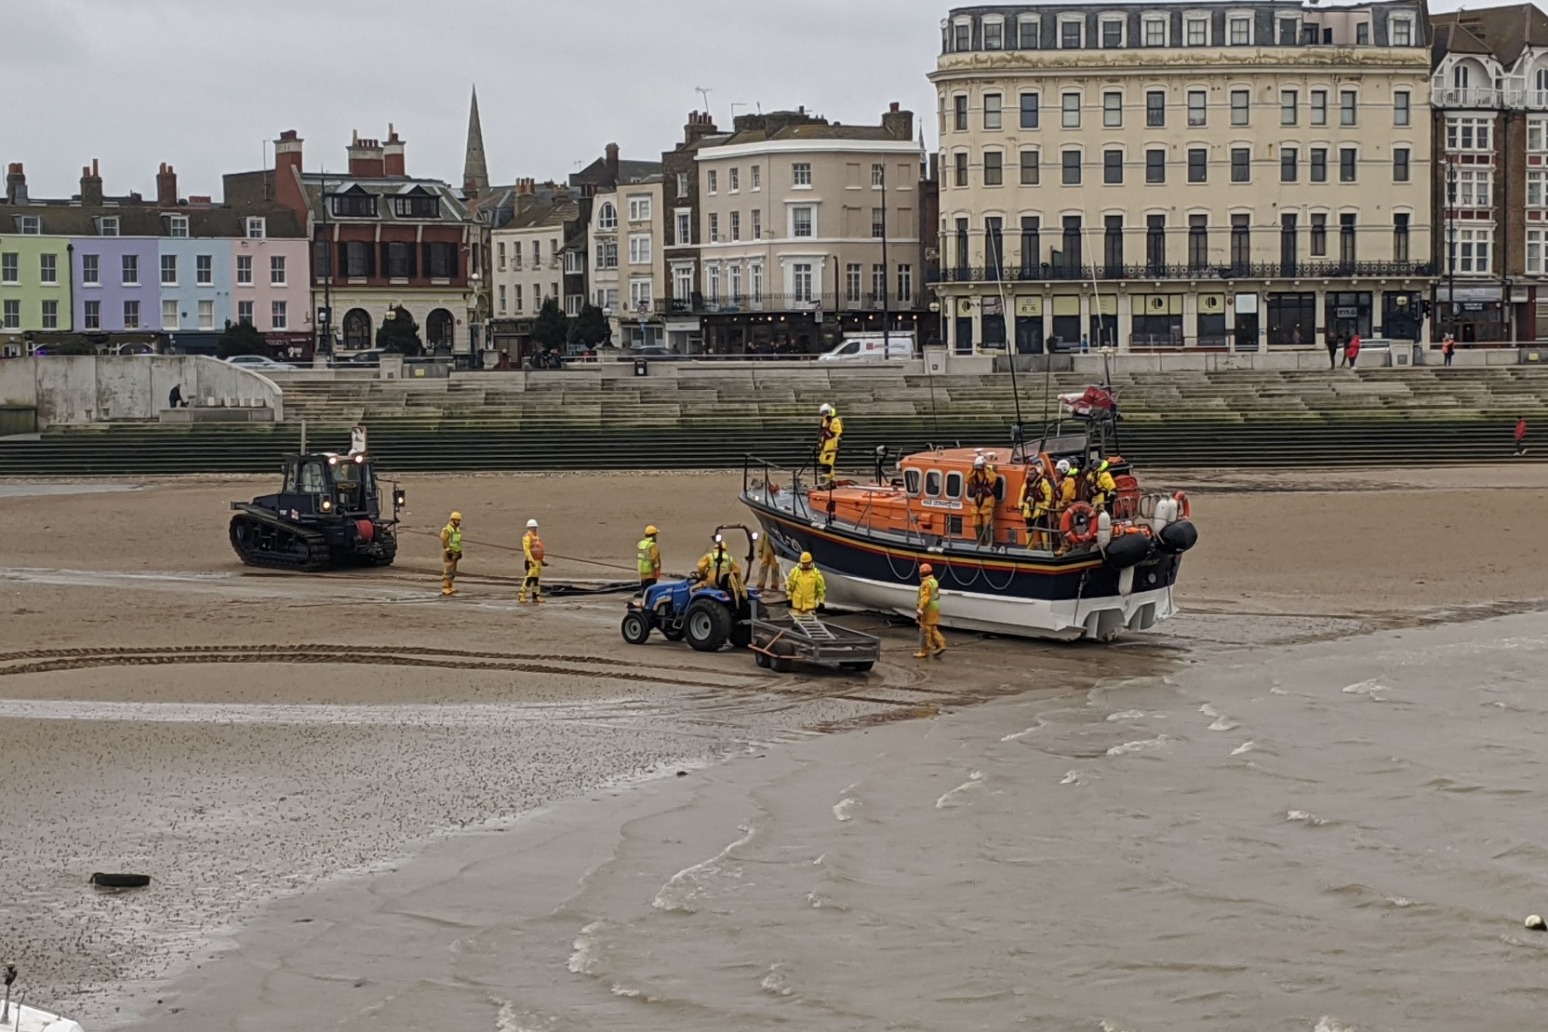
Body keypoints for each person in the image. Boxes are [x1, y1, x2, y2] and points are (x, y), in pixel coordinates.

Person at [695, 534, 745, 599]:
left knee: (693, 589)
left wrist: (702, 575)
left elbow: (700, 566)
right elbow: (737, 572)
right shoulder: (730, 558)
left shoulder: (709, 556)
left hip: (711, 583)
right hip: (726, 584)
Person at [1019, 462, 1055, 551]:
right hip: (1029, 509)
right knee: (1029, 529)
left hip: (1040, 509)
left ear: (1036, 474)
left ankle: (1045, 547)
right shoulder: (1026, 483)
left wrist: (1045, 506)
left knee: (1042, 528)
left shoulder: (1043, 482)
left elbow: (1048, 495)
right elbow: (1022, 495)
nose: (1030, 476)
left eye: (1032, 474)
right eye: (1029, 474)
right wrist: (1020, 505)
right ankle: (1030, 547)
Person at [914, 563, 946, 660]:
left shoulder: (926, 583)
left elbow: (925, 597)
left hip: (928, 609)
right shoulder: (934, 581)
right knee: (933, 628)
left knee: (925, 630)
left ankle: (924, 651)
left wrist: (920, 609)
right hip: (935, 607)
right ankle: (941, 644)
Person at [966, 455, 998, 546]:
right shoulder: (974, 474)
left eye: (980, 466)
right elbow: (967, 479)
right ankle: (980, 542)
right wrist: (973, 468)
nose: (979, 468)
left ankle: (990, 542)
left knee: (988, 523)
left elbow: (992, 480)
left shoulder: (990, 473)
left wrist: (986, 470)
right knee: (976, 522)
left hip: (987, 501)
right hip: (977, 501)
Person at [784, 552, 826, 617]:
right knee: (796, 624)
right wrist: (789, 598)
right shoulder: (795, 572)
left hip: (810, 607)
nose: (806, 565)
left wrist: (821, 602)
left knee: (811, 624)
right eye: (804, 563)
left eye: (807, 563)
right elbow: (789, 586)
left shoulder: (816, 573)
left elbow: (821, 589)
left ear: (810, 562)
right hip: (796, 607)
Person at [816, 403, 843, 486]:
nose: (824, 414)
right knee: (822, 459)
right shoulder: (823, 420)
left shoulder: (835, 420)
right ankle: (831, 477)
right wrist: (820, 442)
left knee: (828, 460)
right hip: (825, 443)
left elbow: (838, 433)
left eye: (825, 412)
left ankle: (827, 476)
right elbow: (821, 432)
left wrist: (836, 444)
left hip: (832, 444)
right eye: (823, 412)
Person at [519, 518, 544, 604]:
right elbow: (527, 550)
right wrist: (530, 560)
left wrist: (542, 560)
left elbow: (540, 549)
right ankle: (522, 595)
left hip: (537, 562)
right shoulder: (527, 537)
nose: (534, 529)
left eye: (535, 527)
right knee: (529, 579)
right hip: (531, 562)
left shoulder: (537, 538)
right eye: (533, 527)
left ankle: (536, 596)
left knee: (536, 580)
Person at [439, 511, 463, 597]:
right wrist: (447, 550)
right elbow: (444, 540)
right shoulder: (447, 529)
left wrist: (459, 552)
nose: (458, 522)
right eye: (457, 520)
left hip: (455, 552)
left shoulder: (457, 529)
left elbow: (457, 542)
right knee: (448, 570)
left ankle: (450, 586)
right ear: (452, 520)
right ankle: (445, 587)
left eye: (459, 520)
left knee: (453, 571)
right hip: (449, 553)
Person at [636, 524, 662, 595]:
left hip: (642, 571)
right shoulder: (652, 545)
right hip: (650, 572)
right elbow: (654, 558)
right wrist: (657, 570)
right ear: (653, 536)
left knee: (644, 588)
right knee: (650, 590)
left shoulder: (641, 544)